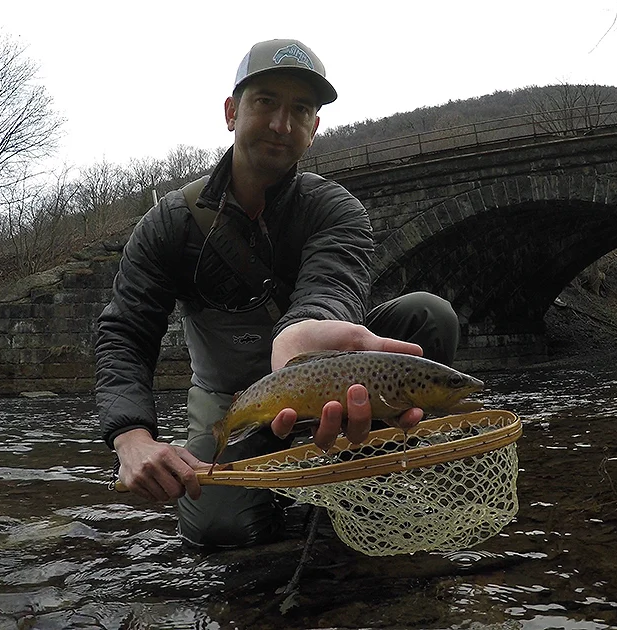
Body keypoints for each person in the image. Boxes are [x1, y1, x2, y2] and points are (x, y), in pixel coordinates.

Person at [95, 38, 460, 548]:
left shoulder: (335, 209)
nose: (282, 124)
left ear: (314, 129)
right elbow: (125, 334)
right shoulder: (170, 224)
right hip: (230, 398)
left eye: (300, 110)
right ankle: (277, 474)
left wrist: (303, 334)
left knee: (427, 316)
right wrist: (130, 435)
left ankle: (368, 466)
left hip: (329, 375)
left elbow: (333, 284)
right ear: (231, 112)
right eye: (266, 102)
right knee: (219, 530)